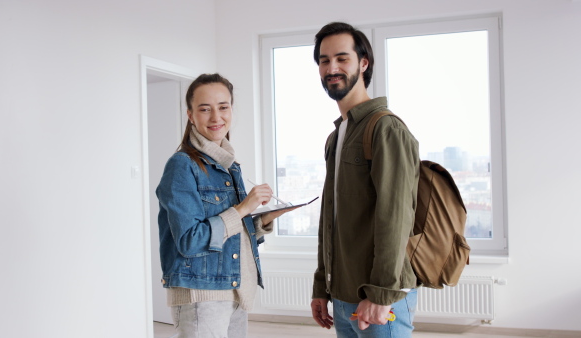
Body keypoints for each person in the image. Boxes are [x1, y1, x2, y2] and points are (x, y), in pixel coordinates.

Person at [156, 73, 294, 338]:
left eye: (223, 107)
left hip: (234, 287)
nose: (216, 117)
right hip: (202, 293)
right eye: (204, 109)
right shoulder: (182, 165)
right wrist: (243, 208)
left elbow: (231, 234)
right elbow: (189, 240)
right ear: (190, 115)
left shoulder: (229, 165)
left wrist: (263, 221)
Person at [309, 22, 420, 337]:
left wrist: (381, 293)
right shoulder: (337, 135)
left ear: (363, 63)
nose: (332, 68)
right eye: (324, 60)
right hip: (343, 295)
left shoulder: (386, 128)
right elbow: (330, 220)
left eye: (342, 58)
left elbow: (395, 217)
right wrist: (322, 286)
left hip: (379, 299)